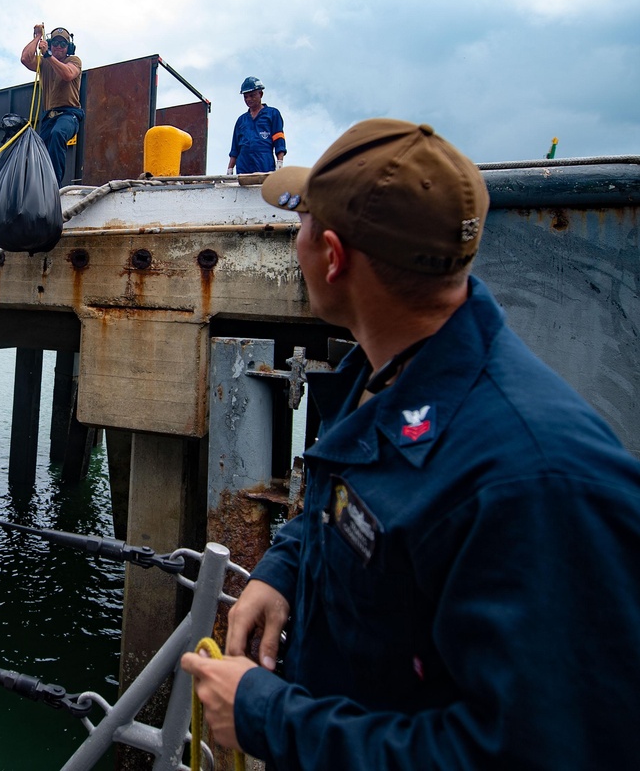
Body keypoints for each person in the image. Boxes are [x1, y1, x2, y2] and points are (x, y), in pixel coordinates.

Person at [183, 118, 640, 768]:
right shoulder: (387, 381)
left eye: (303, 222)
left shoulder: (540, 483)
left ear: (334, 257)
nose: (297, 240)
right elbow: (369, 520)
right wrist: (286, 569)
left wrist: (266, 716)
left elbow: (529, 750)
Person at [20, 24, 83, 185]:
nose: (59, 47)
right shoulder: (44, 62)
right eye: (55, 43)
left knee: (58, 134)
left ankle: (54, 185)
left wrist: (48, 55)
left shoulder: (74, 60)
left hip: (69, 114)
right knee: (39, 149)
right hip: (48, 117)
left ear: (68, 47)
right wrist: (37, 37)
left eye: (63, 44)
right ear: (50, 44)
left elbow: (68, 74)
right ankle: (37, 184)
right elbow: (25, 59)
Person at [227, 76, 286, 175]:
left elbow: (279, 140)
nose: (248, 99)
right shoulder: (241, 120)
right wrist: (230, 169)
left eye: (252, 95)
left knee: (263, 189)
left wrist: (279, 162)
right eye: (245, 96)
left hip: (264, 162)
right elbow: (235, 149)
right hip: (244, 164)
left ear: (261, 94)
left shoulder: (272, 114)